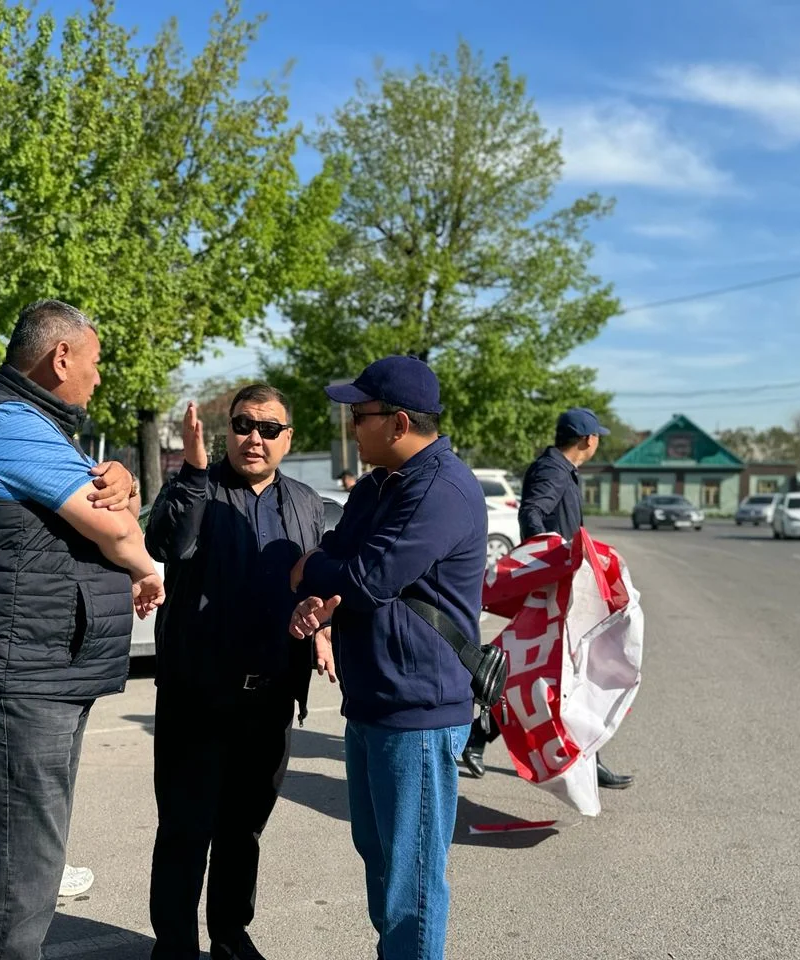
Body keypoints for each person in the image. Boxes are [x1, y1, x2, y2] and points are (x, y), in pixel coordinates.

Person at [0, 299, 164, 960]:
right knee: (19, 881)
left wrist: (124, 485)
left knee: (28, 859)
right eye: (94, 361)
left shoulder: (36, 425)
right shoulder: (10, 425)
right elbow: (117, 532)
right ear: (61, 357)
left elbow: (110, 507)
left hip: (37, 668)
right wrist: (147, 566)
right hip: (19, 675)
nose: (98, 376)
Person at [288, 355, 486, 960]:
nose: (351, 426)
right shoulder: (382, 484)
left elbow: (368, 579)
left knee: (411, 880)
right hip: (374, 697)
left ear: (399, 422)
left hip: (417, 709)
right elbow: (339, 555)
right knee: (379, 857)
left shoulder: (440, 489)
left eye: (360, 415)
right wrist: (322, 579)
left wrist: (313, 572)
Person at [145, 385, 327, 960]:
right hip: (197, 697)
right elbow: (166, 543)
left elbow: (318, 580)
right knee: (185, 830)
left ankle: (229, 935)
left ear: (287, 439)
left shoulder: (306, 503)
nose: (255, 438)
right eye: (245, 425)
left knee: (243, 829)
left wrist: (322, 625)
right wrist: (193, 472)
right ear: (228, 429)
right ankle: (174, 947)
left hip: (271, 698)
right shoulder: (195, 486)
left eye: (269, 429)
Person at [463, 407, 633, 789]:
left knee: (554, 675)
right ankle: (479, 738)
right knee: (560, 675)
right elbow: (532, 514)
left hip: (564, 588)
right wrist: (545, 563)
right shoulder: (553, 471)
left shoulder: (562, 469)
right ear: (588, 439)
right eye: (598, 436)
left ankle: (478, 738)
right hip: (556, 590)